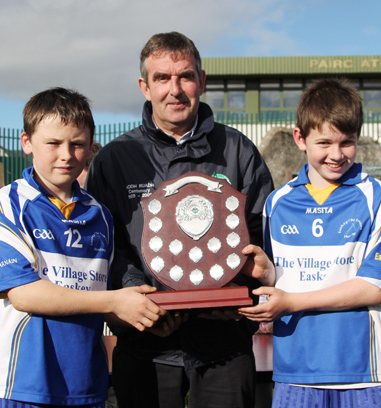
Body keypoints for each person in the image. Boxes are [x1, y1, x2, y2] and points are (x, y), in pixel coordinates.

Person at [86, 32, 274, 408]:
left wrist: (234, 286)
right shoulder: (115, 158)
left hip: (224, 342)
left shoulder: (238, 151)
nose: (175, 89)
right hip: (146, 344)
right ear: (144, 86)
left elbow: (260, 235)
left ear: (201, 81)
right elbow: (104, 248)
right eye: (162, 78)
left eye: (185, 76)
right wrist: (142, 300)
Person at [0, 87, 167, 408]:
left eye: (77, 144)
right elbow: (23, 294)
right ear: (27, 142)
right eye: (52, 143)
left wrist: (147, 314)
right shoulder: (9, 204)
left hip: (86, 388)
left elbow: (104, 304)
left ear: (91, 148)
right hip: (21, 386)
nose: (66, 155)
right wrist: (114, 300)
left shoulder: (101, 216)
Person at [239, 78, 381, 407]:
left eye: (347, 142)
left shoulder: (376, 196)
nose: (336, 155)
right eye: (324, 142)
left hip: (365, 373)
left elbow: (376, 288)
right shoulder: (278, 203)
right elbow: (283, 281)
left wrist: (291, 303)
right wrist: (266, 271)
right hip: (296, 371)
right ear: (300, 138)